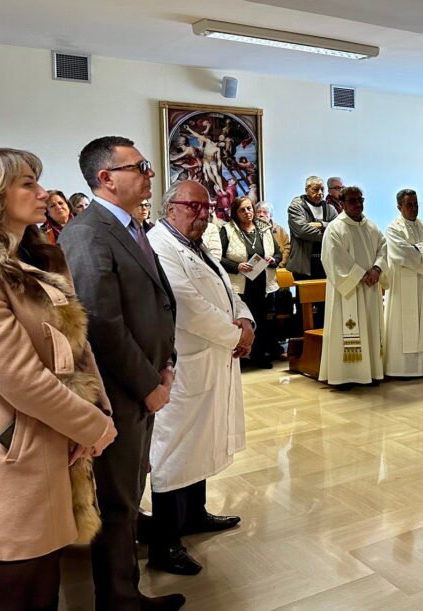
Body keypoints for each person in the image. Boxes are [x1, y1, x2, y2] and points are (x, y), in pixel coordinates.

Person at [0, 148, 117, 611]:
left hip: (52, 436)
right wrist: (92, 427)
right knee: (12, 588)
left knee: (44, 581)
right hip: (9, 448)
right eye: (27, 184)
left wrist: (96, 409)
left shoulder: (37, 261)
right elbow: (18, 376)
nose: (42, 193)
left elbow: (77, 346)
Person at [59, 136, 184, 611]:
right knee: (117, 501)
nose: (149, 174)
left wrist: (166, 362)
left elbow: (154, 303)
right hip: (118, 390)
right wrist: (148, 384)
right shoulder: (88, 233)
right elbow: (102, 323)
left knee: (130, 492)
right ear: (106, 179)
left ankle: (123, 588)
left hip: (144, 381)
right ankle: (118, 597)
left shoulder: (132, 228)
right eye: (140, 166)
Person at [147, 181, 251, 577]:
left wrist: (246, 320)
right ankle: (165, 542)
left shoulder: (196, 245)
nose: (203, 213)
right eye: (193, 206)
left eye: (207, 207)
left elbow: (228, 291)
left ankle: (195, 515)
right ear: (170, 207)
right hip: (185, 364)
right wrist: (236, 335)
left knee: (201, 441)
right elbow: (189, 307)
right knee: (175, 451)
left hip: (213, 356)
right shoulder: (160, 245)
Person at [319, 186, 387, 388]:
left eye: (360, 200)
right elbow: (334, 259)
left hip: (370, 287)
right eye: (352, 201)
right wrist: (361, 274)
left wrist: (376, 269)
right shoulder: (335, 229)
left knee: (370, 327)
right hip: (348, 291)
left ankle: (371, 372)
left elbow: (383, 249)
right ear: (342, 203)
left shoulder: (371, 227)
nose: (358, 204)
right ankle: (345, 376)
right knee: (347, 329)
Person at [384, 189, 423, 377]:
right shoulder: (393, 229)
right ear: (399, 206)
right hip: (403, 285)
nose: (413, 208)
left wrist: (420, 252)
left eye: (416, 204)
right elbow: (402, 253)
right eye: (409, 205)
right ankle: (401, 368)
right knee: (404, 323)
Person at [219, 196, 280, 368]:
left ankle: (260, 355)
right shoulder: (228, 230)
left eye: (249, 208)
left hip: (263, 284)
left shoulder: (264, 229)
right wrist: (237, 266)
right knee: (244, 322)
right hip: (241, 285)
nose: (248, 213)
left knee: (263, 322)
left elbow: (278, 253)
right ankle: (242, 357)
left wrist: (272, 260)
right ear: (235, 213)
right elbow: (218, 258)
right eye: (243, 210)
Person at [287, 175, 338, 280]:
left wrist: (320, 224)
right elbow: (302, 231)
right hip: (304, 264)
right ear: (306, 190)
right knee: (305, 295)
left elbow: (338, 229)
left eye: (322, 189)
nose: (320, 193)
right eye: (315, 189)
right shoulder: (296, 207)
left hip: (326, 262)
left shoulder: (330, 208)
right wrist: (328, 231)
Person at [257, 201, 291, 268]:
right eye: (258, 212)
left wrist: (281, 264)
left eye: (265, 212)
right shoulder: (251, 229)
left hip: (277, 266)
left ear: (270, 215)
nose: (261, 214)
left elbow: (287, 248)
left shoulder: (280, 230)